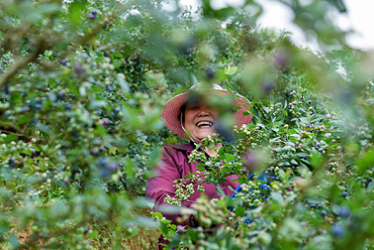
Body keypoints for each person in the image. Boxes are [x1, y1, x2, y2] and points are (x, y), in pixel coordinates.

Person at [145, 83, 252, 249]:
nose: (203, 112)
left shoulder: (247, 161)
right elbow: (159, 198)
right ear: (183, 120)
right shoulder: (171, 156)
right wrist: (196, 214)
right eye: (194, 107)